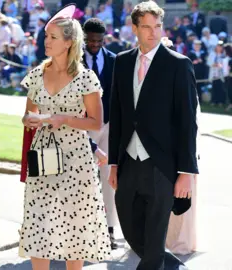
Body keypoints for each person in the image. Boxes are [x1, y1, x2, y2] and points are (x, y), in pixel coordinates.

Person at [108, 2, 199, 269]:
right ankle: (173, 266)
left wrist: (186, 171)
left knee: (154, 239)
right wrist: (114, 162)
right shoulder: (122, 62)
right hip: (128, 161)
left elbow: (187, 123)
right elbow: (119, 115)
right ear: (134, 28)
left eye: (157, 26)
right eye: (146, 27)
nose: (153, 33)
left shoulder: (178, 65)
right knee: (131, 227)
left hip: (162, 165)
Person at [19, 4, 110, 270]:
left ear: (69, 42)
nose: (46, 41)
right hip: (43, 153)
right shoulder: (37, 74)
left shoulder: (86, 78)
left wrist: (63, 119)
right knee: (39, 221)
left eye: (53, 37)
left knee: (75, 224)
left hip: (76, 158)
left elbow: (96, 122)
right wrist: (31, 120)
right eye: (46, 36)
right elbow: (27, 116)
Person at [82, 18, 119, 250]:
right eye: (90, 40)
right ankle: (85, 229)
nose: (94, 44)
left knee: (109, 178)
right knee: (84, 177)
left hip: (109, 126)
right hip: (84, 125)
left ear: (104, 39)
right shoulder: (74, 59)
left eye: (98, 40)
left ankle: (109, 230)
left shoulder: (115, 60)